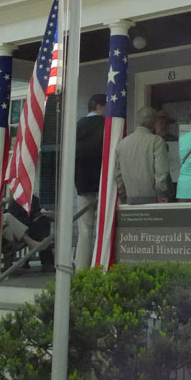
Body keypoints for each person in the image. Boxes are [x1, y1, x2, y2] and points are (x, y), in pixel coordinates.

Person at [74, 93, 107, 270]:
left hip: (82, 184)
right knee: (103, 229)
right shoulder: (106, 125)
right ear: (100, 106)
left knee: (85, 231)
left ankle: (81, 270)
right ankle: (100, 267)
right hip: (102, 184)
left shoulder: (78, 126)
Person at [115, 107, 170, 204]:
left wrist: (123, 197)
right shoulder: (157, 141)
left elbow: (118, 176)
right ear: (154, 122)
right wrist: (161, 197)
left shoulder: (122, 143)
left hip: (130, 199)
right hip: (153, 199)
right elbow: (161, 173)